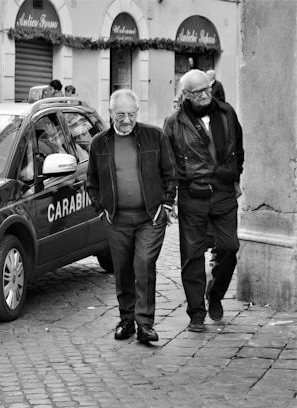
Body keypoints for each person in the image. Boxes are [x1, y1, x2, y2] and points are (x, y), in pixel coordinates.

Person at [87, 89, 177, 343]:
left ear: (137, 112)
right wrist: (101, 209)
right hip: (116, 219)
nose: (126, 120)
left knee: (143, 264)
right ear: (110, 113)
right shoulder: (99, 143)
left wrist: (166, 206)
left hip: (150, 216)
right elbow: (91, 182)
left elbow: (170, 173)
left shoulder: (154, 136)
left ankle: (145, 323)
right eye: (120, 115)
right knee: (123, 269)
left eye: (131, 114)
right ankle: (126, 319)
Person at [163, 69, 244, 332]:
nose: (204, 95)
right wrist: (169, 199)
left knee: (230, 247)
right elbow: (168, 163)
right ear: (185, 94)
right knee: (192, 256)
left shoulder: (226, 112)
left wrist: (235, 177)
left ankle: (215, 295)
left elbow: (238, 147)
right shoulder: (174, 122)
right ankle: (196, 312)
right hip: (192, 194)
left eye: (206, 89)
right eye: (197, 92)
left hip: (223, 192)